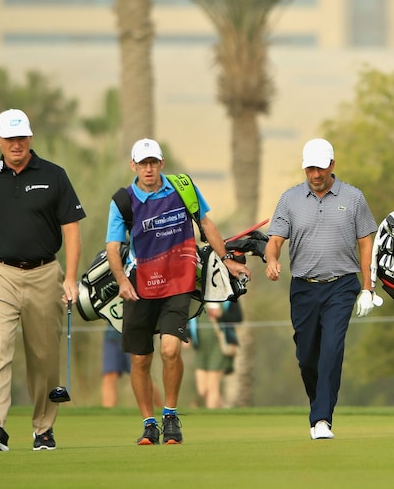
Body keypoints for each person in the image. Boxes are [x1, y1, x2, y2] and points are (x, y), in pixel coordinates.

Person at [106, 138, 249, 445]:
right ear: (133, 166)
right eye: (142, 163)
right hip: (139, 287)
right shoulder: (122, 201)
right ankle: (148, 423)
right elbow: (113, 247)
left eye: (153, 162)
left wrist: (227, 261)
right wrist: (122, 281)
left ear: (161, 163)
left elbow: (206, 224)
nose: (148, 168)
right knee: (141, 360)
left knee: (171, 350)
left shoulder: (183, 188)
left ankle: (170, 415)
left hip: (178, 284)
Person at [0, 108, 86, 452]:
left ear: (30, 138)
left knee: (44, 357)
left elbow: (71, 230)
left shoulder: (55, 175)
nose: (16, 144)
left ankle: (43, 429)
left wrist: (70, 277)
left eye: (22, 137)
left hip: (45, 273)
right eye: (10, 138)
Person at [265, 138, 379, 440]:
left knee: (331, 350)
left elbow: (366, 241)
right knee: (307, 356)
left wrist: (368, 287)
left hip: (341, 286)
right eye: (310, 168)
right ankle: (320, 403)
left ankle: (321, 419)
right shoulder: (289, 199)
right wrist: (272, 261)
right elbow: (274, 240)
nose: (315, 174)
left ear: (332, 166)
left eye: (321, 168)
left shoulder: (353, 198)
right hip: (303, 287)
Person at [187, 301, 240, 408]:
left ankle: (210, 415)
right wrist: (187, 336)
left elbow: (238, 317)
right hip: (201, 348)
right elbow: (189, 319)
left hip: (219, 346)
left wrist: (221, 315)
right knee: (203, 390)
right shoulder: (195, 300)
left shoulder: (228, 298)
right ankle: (224, 412)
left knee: (212, 386)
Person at [101, 325, 163, 408]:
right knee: (109, 375)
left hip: (136, 336)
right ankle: (107, 414)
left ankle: (161, 409)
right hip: (112, 336)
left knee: (141, 375)